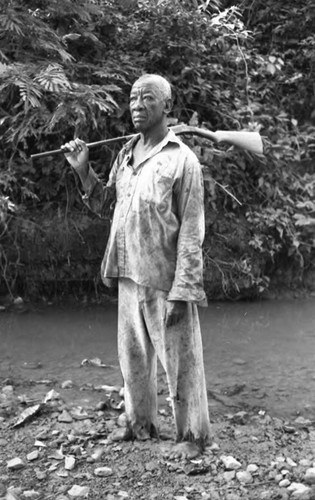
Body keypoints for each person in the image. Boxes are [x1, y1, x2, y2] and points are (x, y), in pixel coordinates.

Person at [62, 74, 211, 459]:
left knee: (181, 365)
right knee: (133, 360)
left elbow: (193, 233)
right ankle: (139, 425)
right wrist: (82, 170)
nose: (137, 105)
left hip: (165, 279)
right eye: (132, 99)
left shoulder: (183, 161)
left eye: (148, 99)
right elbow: (103, 204)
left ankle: (192, 438)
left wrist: (184, 289)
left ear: (167, 107)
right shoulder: (125, 155)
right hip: (127, 271)